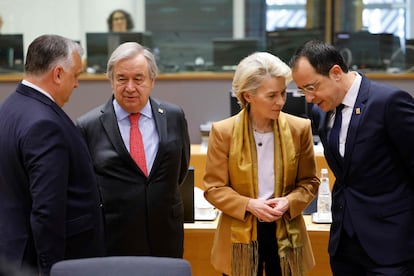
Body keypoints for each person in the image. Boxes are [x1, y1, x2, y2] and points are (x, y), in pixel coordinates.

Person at [290, 39, 414, 275]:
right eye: (302, 90)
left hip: (391, 246)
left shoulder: (388, 103)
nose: (308, 98)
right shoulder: (321, 112)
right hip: (345, 245)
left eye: (311, 87)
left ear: (336, 72)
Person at [203, 52, 320, 276]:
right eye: (272, 95)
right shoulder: (223, 132)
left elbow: (310, 182)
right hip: (241, 229)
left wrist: (288, 201)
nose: (281, 102)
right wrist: (249, 204)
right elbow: (213, 188)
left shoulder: (300, 129)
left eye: (284, 93)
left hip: (286, 228)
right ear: (248, 96)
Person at [0, 34, 104, 276]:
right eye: (75, 75)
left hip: (13, 251)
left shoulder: (9, 108)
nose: (77, 84)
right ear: (58, 74)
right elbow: (47, 210)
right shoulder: (45, 124)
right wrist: (53, 270)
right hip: (46, 261)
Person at [76, 42, 190, 258]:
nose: (130, 87)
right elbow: (85, 188)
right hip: (114, 241)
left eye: (138, 79)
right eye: (121, 79)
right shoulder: (88, 126)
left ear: (152, 81)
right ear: (111, 81)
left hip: (166, 237)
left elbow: (180, 170)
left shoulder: (174, 116)